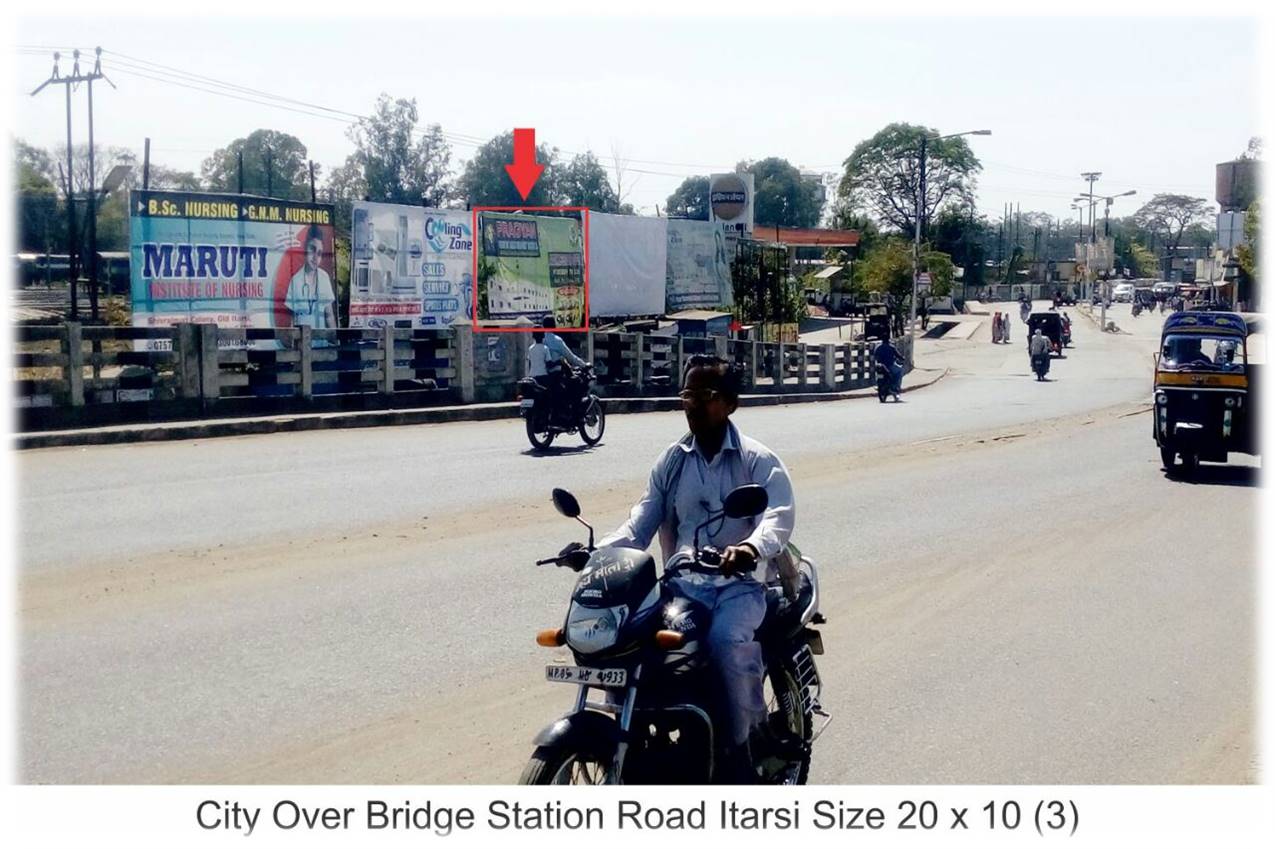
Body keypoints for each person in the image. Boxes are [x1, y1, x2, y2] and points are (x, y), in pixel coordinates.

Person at [597, 355, 797, 783]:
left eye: (704, 395)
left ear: (730, 404)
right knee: (627, 645)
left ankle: (747, 746)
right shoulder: (672, 461)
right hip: (682, 587)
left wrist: (750, 547)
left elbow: (778, 516)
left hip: (739, 587)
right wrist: (598, 552)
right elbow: (641, 523)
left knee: (724, 641)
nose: (692, 405)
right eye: (687, 395)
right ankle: (634, 743)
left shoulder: (756, 460)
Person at [285, 225, 337, 329]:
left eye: (319, 253)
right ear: (305, 248)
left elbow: (329, 316)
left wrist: (336, 338)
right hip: (302, 338)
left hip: (320, 338)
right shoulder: (295, 281)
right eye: (312, 250)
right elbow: (292, 321)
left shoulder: (324, 278)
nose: (315, 257)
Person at [540, 315, 589, 417]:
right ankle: (574, 413)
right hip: (556, 375)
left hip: (542, 375)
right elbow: (571, 357)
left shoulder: (539, 340)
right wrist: (584, 365)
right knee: (576, 383)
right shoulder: (556, 340)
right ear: (554, 326)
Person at [873, 335, 905, 401]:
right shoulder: (891, 347)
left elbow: (875, 356)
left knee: (877, 374)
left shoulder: (878, 347)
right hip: (889, 366)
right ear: (888, 340)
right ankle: (896, 388)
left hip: (880, 366)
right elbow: (898, 355)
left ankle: (878, 385)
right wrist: (902, 358)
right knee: (899, 371)